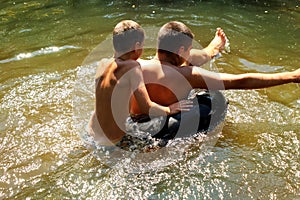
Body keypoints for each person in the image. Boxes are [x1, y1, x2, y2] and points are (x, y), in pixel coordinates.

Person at [129, 21, 300, 138]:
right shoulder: (188, 75)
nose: (189, 54)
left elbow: (190, 57)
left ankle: (214, 48)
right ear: (181, 50)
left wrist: (213, 48)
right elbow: (240, 81)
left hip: (133, 128)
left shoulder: (136, 66)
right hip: (162, 133)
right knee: (214, 100)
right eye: (188, 49)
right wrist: (292, 76)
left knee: (195, 57)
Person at [87, 20, 192, 147]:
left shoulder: (103, 63)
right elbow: (146, 107)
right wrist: (170, 109)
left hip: (91, 133)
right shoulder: (132, 67)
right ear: (137, 47)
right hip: (113, 141)